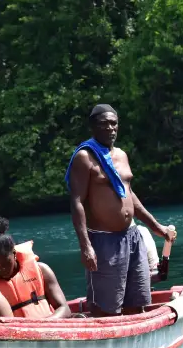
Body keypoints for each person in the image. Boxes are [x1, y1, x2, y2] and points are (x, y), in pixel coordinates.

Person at [65, 103, 176, 316]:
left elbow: (129, 197)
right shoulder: (85, 157)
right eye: (104, 124)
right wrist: (85, 246)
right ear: (93, 127)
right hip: (104, 241)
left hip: (131, 238)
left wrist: (156, 227)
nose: (110, 129)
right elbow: (76, 202)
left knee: (138, 301)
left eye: (114, 124)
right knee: (106, 307)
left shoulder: (122, 155)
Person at [0, 215, 72, 319]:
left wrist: (43, 325)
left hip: (49, 328)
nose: (2, 268)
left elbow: (64, 309)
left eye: (6, 263)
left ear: (14, 253)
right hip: (14, 333)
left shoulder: (42, 270)